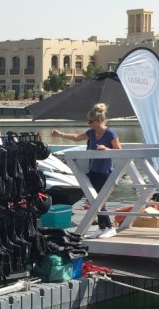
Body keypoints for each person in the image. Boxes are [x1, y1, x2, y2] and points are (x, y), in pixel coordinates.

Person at [50, 102, 121, 238]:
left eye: (90, 121)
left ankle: (109, 227)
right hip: (93, 170)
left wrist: (106, 150)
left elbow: (119, 151)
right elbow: (77, 138)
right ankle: (102, 227)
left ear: (98, 121)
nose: (88, 124)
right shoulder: (91, 132)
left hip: (105, 171)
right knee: (94, 199)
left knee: (100, 199)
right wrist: (60, 134)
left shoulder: (110, 133)